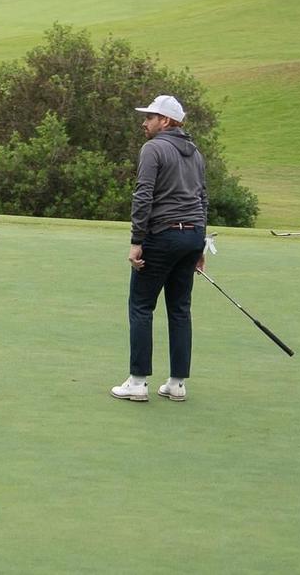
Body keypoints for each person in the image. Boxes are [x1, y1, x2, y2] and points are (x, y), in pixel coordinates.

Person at [112, 94, 206, 403]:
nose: (145, 121)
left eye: (150, 117)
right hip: (192, 236)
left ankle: (138, 382)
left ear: (165, 121)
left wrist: (137, 240)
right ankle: (177, 383)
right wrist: (200, 244)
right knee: (179, 309)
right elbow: (201, 200)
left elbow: (143, 196)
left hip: (162, 235)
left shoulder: (153, 148)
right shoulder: (195, 153)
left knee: (141, 305)